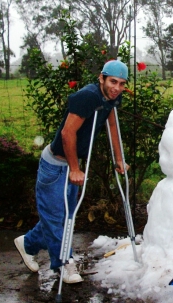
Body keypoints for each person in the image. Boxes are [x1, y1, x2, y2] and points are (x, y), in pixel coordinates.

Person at [14, 60, 129, 284]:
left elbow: (112, 125)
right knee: (57, 219)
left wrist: (118, 159)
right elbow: (68, 133)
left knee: (63, 217)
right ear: (102, 79)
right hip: (55, 166)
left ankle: (27, 243)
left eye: (122, 84)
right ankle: (64, 264)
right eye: (113, 81)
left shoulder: (111, 98)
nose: (117, 87)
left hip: (71, 165)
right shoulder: (88, 97)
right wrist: (74, 168)